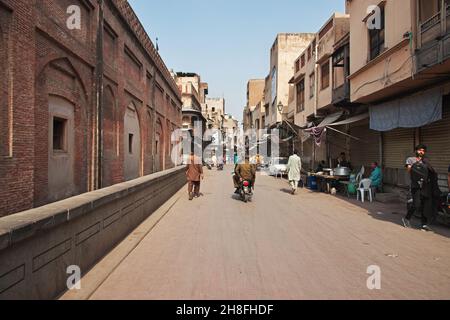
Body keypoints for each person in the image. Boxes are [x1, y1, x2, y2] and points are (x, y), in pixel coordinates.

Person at [402, 144, 439, 231]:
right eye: (420, 150)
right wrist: (417, 165)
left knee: (425, 205)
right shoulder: (410, 159)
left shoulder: (426, 161)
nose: (421, 152)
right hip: (416, 186)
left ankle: (424, 224)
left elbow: (430, 172)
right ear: (416, 151)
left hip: (426, 187)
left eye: (423, 150)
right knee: (416, 204)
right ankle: (406, 219)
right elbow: (409, 170)